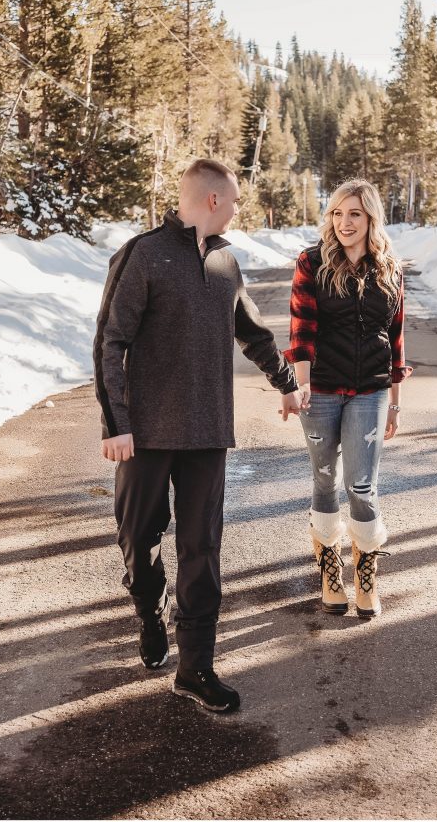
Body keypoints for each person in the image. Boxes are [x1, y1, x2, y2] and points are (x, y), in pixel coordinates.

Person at [93, 158, 301, 712]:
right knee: (139, 538)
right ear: (212, 200)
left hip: (208, 431)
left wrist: (285, 383)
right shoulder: (143, 254)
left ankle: (196, 668)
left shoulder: (227, 263)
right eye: (233, 200)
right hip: (145, 434)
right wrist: (117, 424)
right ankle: (147, 608)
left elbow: (252, 331)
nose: (236, 210)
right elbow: (110, 341)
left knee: (202, 548)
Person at [282, 178, 413, 618]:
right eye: (337, 213)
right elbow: (301, 331)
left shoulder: (390, 268)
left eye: (354, 213)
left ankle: (367, 572)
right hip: (319, 390)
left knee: (362, 485)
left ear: (371, 217)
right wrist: (300, 384)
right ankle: (329, 569)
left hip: (371, 390)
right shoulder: (312, 262)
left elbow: (395, 340)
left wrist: (393, 401)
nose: (344, 222)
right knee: (324, 480)